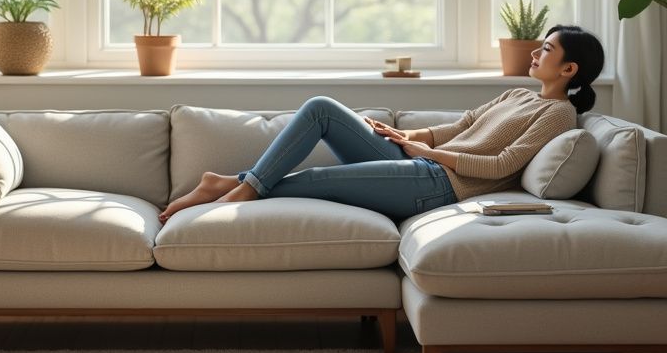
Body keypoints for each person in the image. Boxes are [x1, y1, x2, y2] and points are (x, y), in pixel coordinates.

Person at [158, 24, 605, 223]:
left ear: (570, 70)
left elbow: (501, 164)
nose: (534, 53)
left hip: (440, 184)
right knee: (321, 107)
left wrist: (429, 153)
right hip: (422, 164)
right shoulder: (517, 94)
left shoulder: (560, 114)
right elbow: (465, 124)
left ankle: (236, 188)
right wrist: (408, 136)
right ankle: (239, 183)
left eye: (546, 49)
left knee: (318, 178)